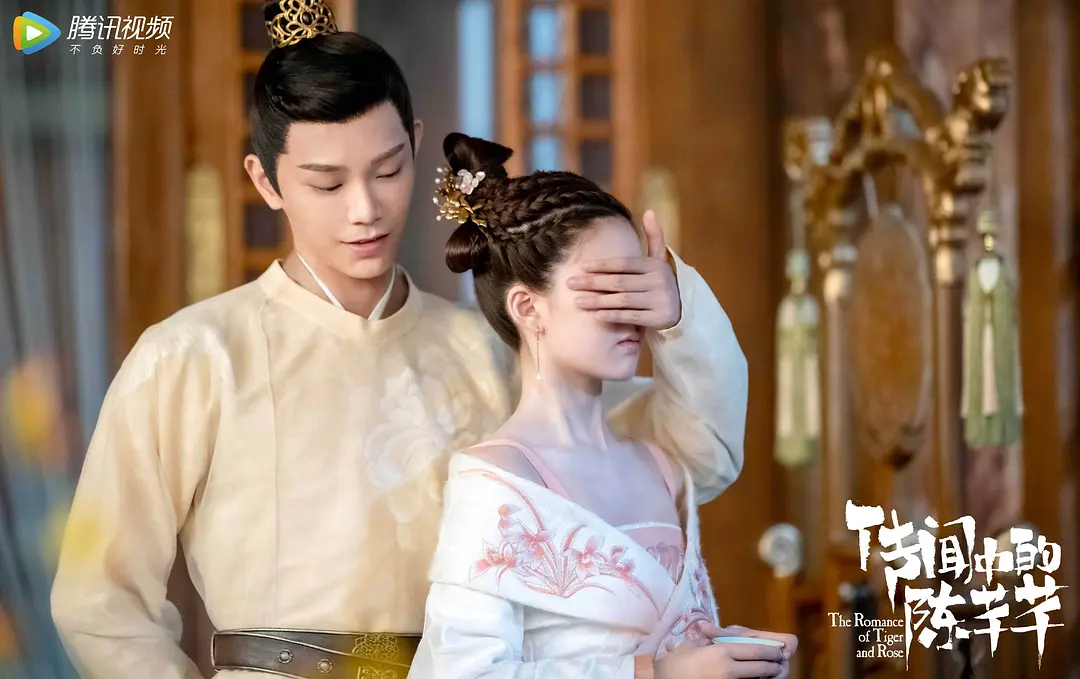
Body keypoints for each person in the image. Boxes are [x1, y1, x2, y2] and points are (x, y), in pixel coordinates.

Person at [50, 2, 750, 678]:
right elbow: (99, 601)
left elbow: (696, 457)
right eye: (327, 184)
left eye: (387, 171)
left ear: (415, 144)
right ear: (265, 181)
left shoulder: (492, 352)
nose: (366, 209)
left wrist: (678, 317)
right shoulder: (192, 358)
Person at [407, 134, 797, 679]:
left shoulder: (661, 464)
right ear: (528, 307)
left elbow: (676, 637)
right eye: (610, 289)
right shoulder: (496, 481)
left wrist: (725, 654)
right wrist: (656, 674)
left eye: (639, 285)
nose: (632, 312)